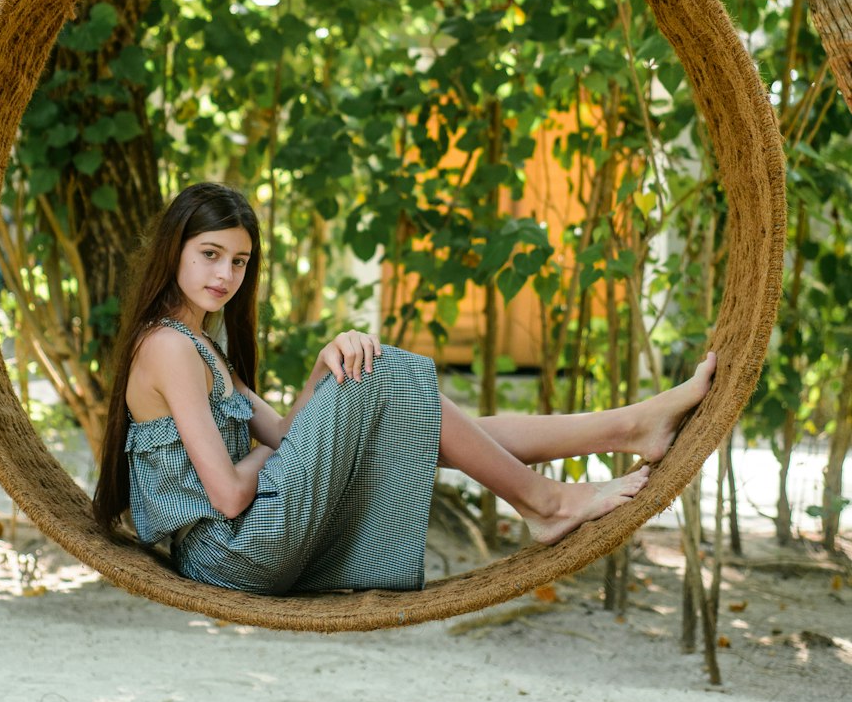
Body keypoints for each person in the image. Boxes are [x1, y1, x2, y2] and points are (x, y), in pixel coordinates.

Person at [93, 182, 716, 595]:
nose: (225, 274)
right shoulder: (169, 347)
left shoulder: (200, 345)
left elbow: (286, 434)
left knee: (397, 408)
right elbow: (228, 495)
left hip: (250, 540)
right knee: (378, 372)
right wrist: (269, 452)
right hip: (231, 552)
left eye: (239, 261)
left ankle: (624, 429)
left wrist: (319, 369)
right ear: (175, 251)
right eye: (210, 254)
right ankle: (550, 500)